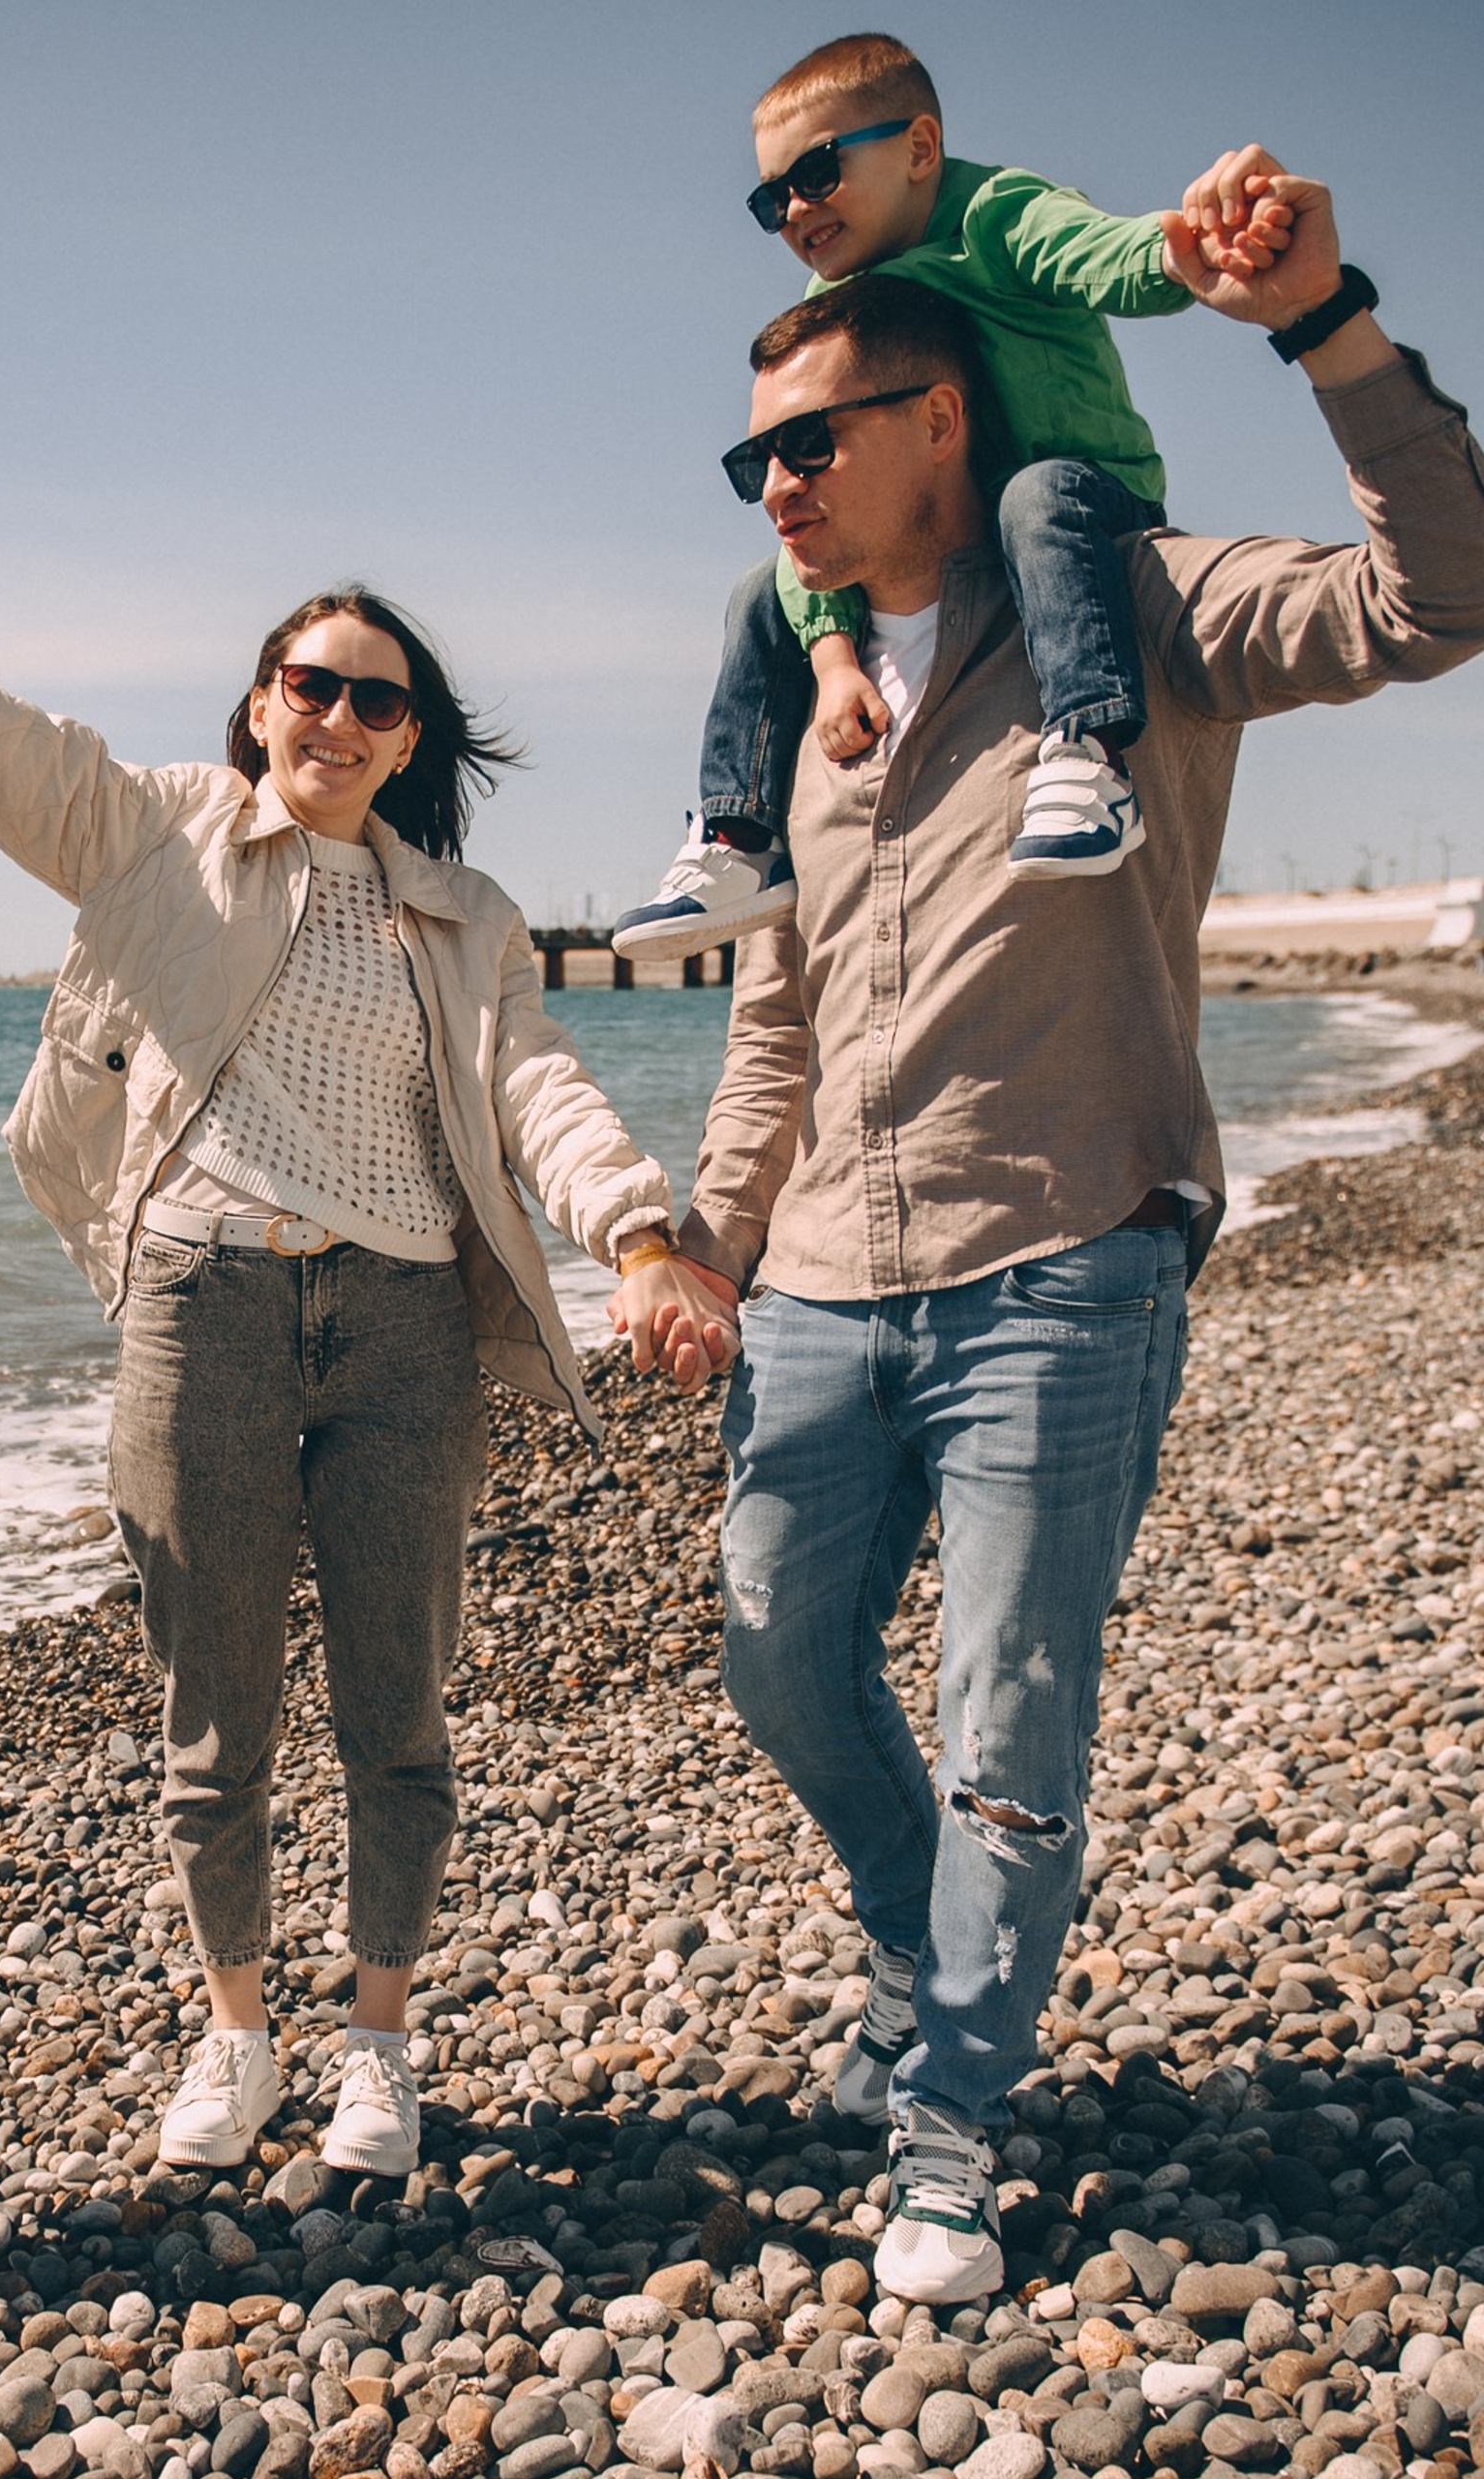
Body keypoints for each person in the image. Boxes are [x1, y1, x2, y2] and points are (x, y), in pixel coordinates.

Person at [0, 552, 734, 2176]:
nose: (338, 715)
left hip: (405, 1330)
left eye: (375, 697)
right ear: (263, 706)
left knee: (395, 1713)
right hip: (203, 1308)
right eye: (311, 685)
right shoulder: (152, 828)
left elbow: (536, 1091)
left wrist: (634, 1235)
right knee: (215, 1716)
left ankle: (382, 2051)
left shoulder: (466, 921)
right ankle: (239, 2032)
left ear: (412, 739)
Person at [640, 162, 1484, 2302]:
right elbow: (776, 1020)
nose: (771, 486)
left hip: (1064, 1258)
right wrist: (701, 1238)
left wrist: (1324, 330)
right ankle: (945, 1951)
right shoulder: (809, 695)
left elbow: (1432, 596)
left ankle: (946, 2112)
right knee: (772, 1661)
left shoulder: (1128, 600)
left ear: (943, 419)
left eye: (805, 438)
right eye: (747, 456)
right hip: (820, 1282)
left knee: (1010, 1713)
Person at [614, 31, 1292, 966]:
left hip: (1088, 502)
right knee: (757, 590)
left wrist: (1191, 252)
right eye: (771, 198)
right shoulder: (839, 295)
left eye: (815, 174)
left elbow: (1106, 255)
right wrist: (835, 662)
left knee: (1034, 496)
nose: (794, 211)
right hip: (972, 528)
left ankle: (1090, 754)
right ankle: (739, 841)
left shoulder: (997, 215)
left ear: (920, 150)